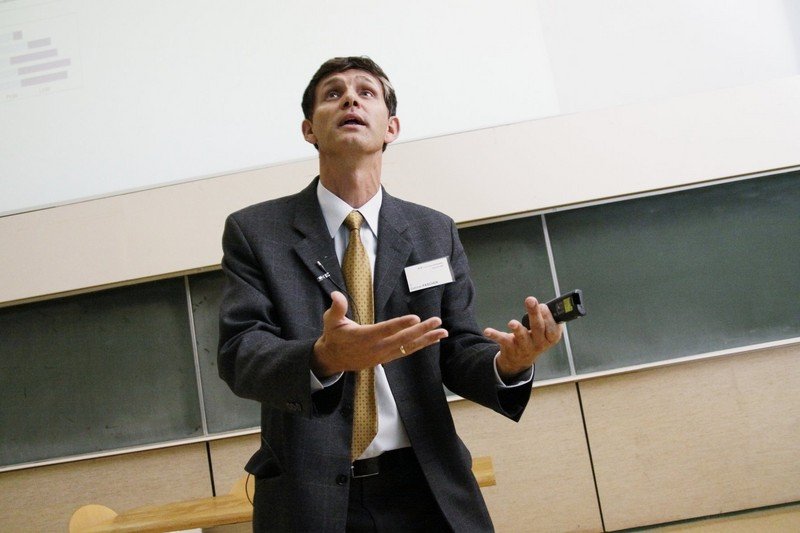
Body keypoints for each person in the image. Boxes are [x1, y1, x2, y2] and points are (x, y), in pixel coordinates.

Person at [218, 56, 563, 532]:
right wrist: (322, 357)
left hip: (427, 485)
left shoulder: (432, 231)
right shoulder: (257, 232)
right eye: (333, 94)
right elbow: (241, 353)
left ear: (391, 128)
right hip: (310, 496)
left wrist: (509, 365)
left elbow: (457, 348)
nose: (350, 99)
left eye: (366, 92)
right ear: (308, 130)